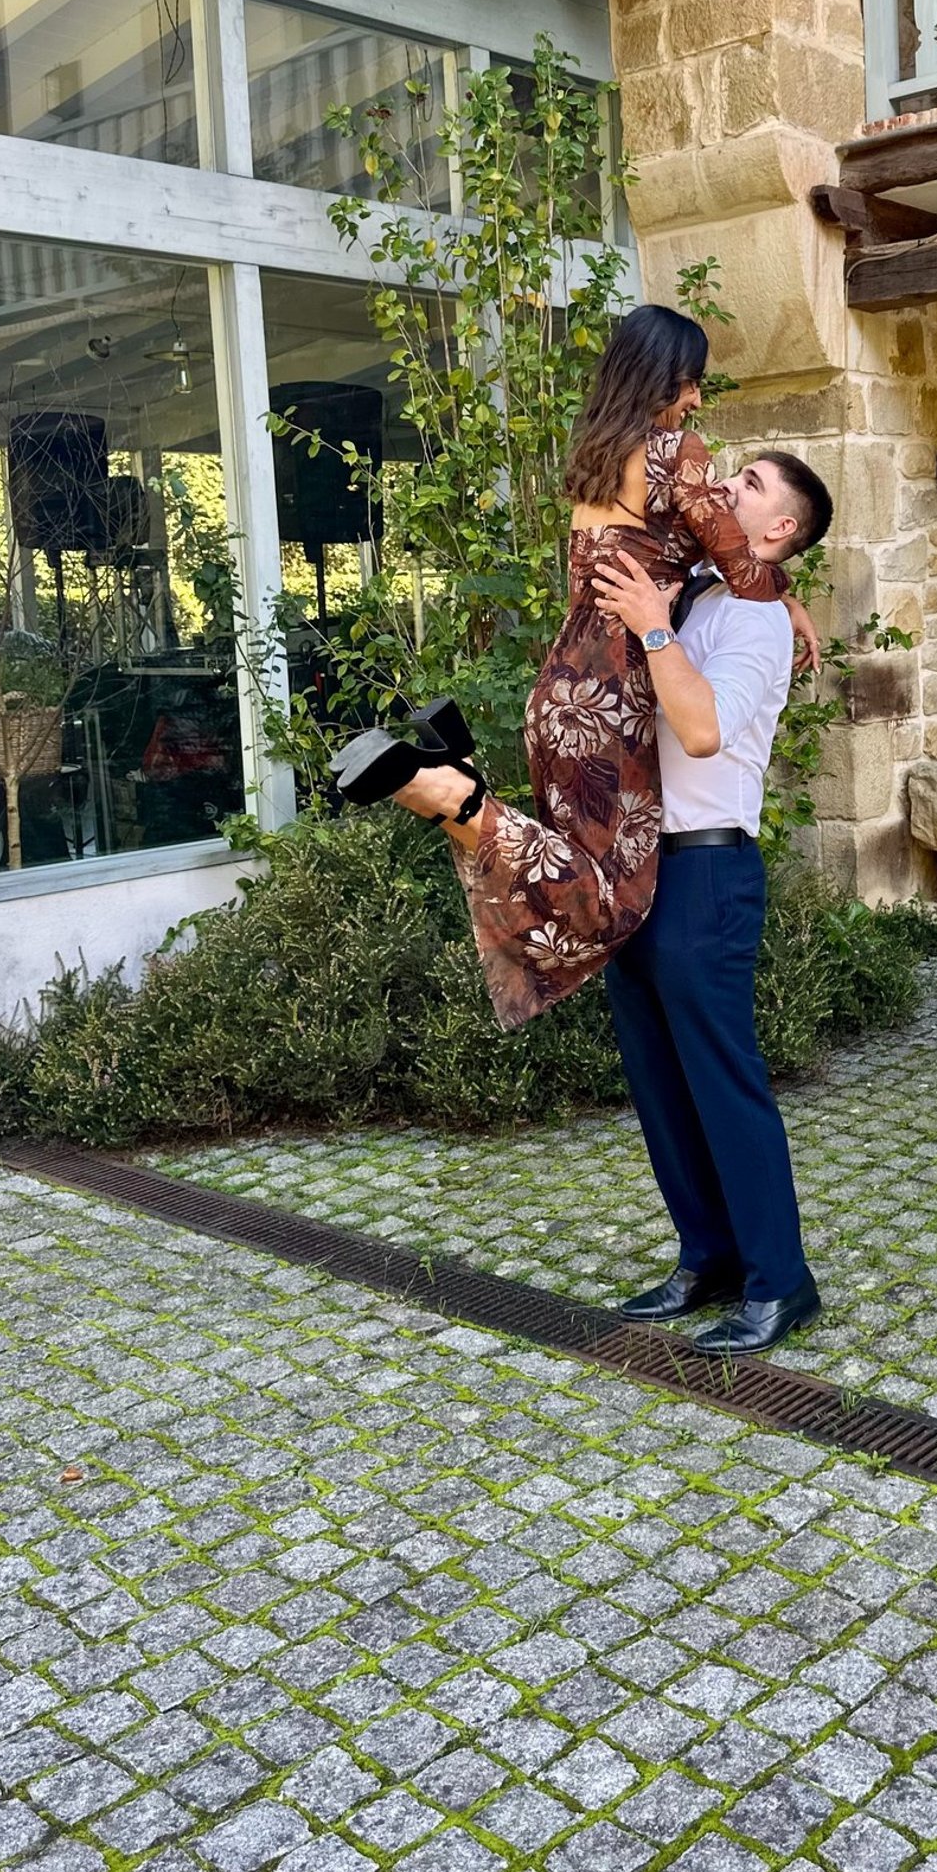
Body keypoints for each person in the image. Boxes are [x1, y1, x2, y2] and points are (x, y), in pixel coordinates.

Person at [397, 449, 834, 1354]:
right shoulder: (707, 588)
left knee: (723, 1081)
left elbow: (704, 730)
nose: (724, 492)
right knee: (658, 1081)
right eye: (733, 475)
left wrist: (657, 628)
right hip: (631, 868)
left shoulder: (752, 626)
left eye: (748, 487)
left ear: (780, 529)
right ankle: (706, 1256)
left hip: (707, 872)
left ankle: (781, 1283)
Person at [386, 304, 819, 1031]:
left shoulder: (595, 453)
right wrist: (792, 598)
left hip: (560, 688)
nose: (696, 401)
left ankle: (458, 788)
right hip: (614, 693)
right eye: (692, 384)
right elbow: (744, 568)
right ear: (665, 379)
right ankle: (455, 794)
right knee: (613, 895)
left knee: (579, 861)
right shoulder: (675, 454)